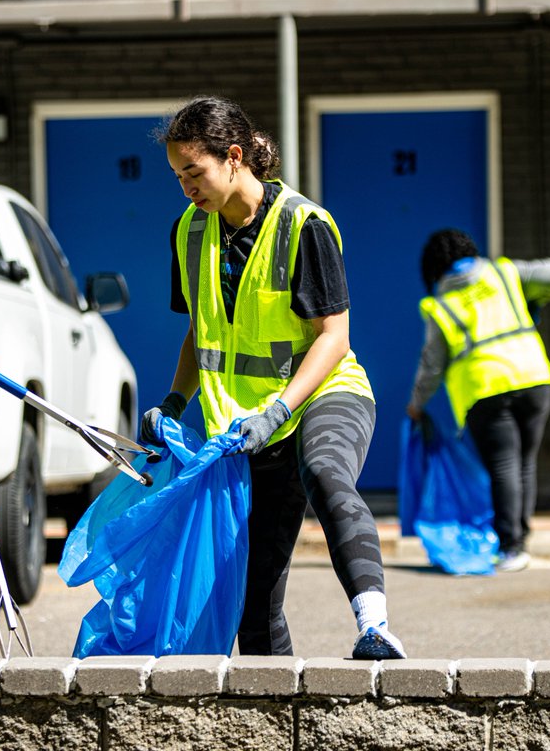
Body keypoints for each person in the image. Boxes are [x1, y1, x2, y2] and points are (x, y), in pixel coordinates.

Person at [140, 95, 406, 660]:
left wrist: (280, 410)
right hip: (247, 427)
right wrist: (173, 401)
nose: (186, 187)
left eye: (194, 172)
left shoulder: (303, 224)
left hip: (323, 394)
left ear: (233, 158)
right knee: (253, 600)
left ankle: (375, 627)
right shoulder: (189, 231)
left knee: (326, 471)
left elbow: (334, 337)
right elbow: (201, 329)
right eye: (177, 176)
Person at [406, 229, 550, 573]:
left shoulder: (442, 305)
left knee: (504, 466)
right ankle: (519, 541)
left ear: (434, 269)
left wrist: (417, 403)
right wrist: (533, 299)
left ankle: (510, 546)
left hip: (485, 389)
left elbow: (432, 364)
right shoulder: (505, 273)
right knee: (524, 463)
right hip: (534, 377)